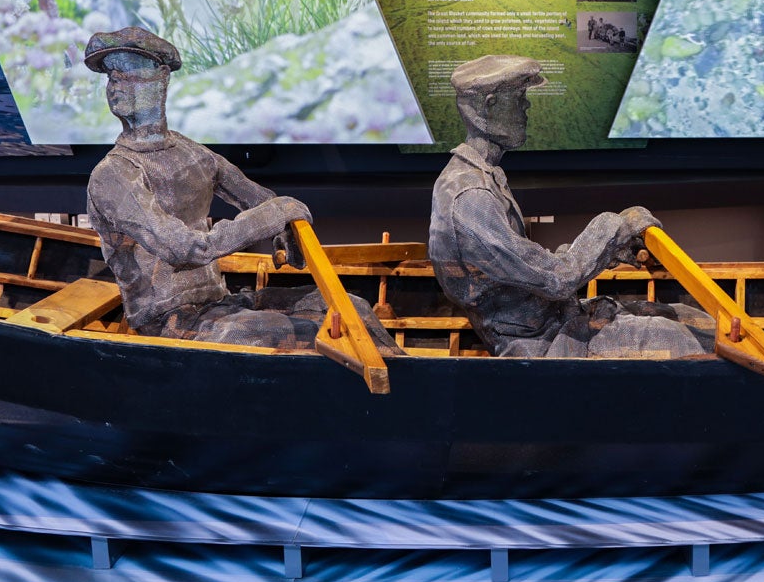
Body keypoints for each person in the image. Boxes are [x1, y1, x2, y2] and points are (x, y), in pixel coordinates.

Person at [83, 26, 400, 351]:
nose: (115, 86)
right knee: (296, 332)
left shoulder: (193, 154)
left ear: (161, 78)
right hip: (170, 322)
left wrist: (287, 226)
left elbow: (262, 201)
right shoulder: (113, 174)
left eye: (128, 73)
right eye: (111, 76)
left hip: (217, 303)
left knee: (352, 307)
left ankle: (403, 374)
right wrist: (272, 216)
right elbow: (184, 249)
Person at [428, 54, 713, 358]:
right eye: (519, 97)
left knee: (686, 315)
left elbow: (533, 266)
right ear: (489, 106)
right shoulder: (470, 197)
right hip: (541, 345)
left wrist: (609, 250)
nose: (527, 106)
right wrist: (614, 227)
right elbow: (556, 280)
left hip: (555, 318)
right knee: (686, 337)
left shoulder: (480, 178)